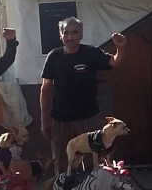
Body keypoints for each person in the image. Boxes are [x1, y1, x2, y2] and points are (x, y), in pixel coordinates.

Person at [40, 17, 125, 172]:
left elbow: (115, 61)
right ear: (61, 36)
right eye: (66, 33)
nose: (70, 37)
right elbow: (45, 88)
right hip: (60, 121)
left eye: (75, 32)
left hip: (88, 119)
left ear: (81, 35)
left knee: (95, 163)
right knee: (63, 165)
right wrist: (44, 119)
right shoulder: (54, 56)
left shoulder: (91, 53)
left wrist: (120, 47)